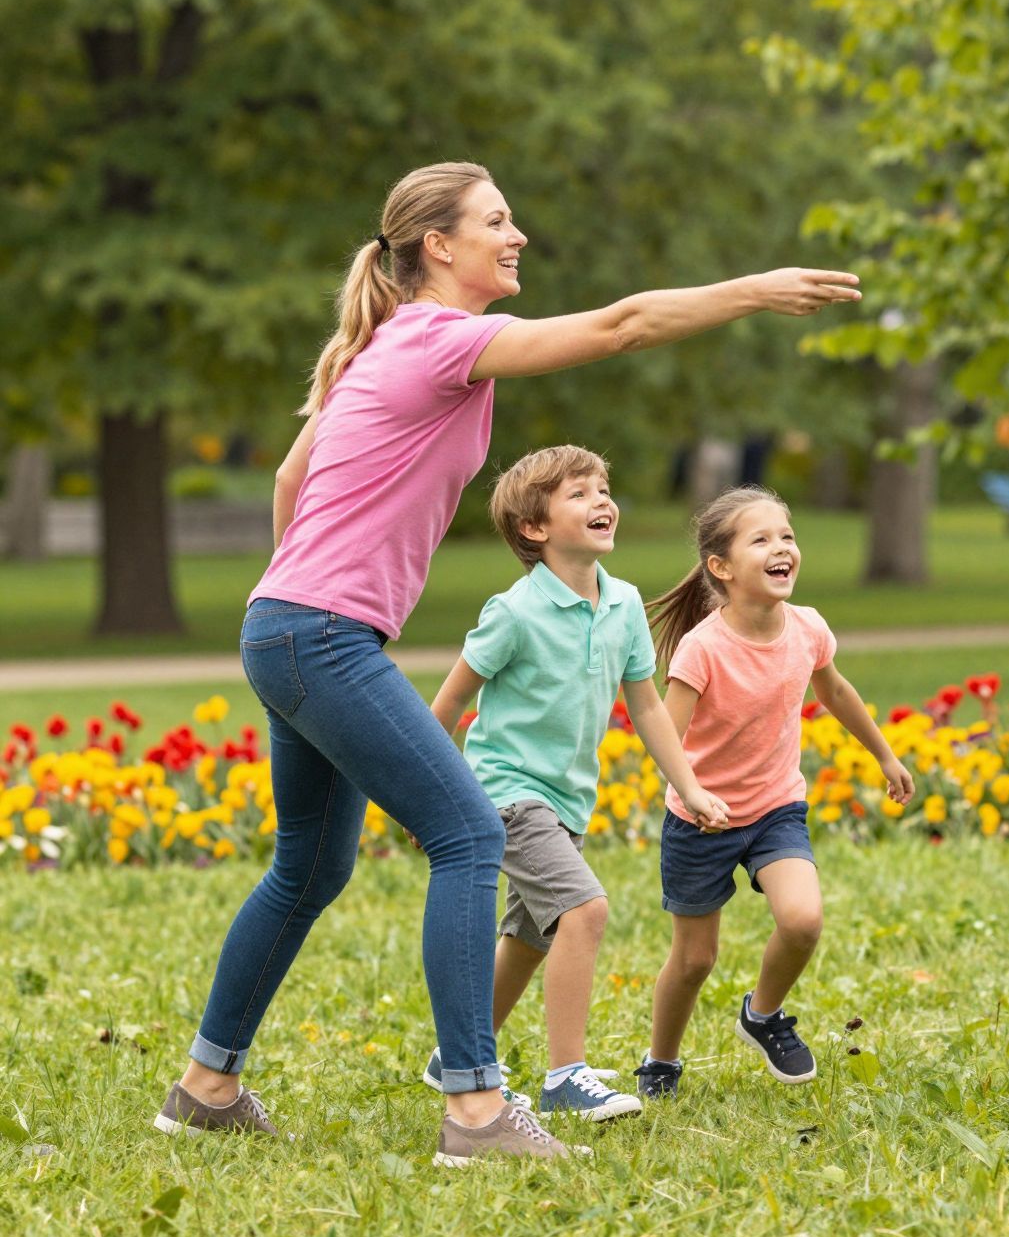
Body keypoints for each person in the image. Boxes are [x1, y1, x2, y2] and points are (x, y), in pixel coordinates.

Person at [156, 160, 859, 1165]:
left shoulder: (380, 345)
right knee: (469, 837)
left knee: (311, 868)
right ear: (438, 246)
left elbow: (288, 475)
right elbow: (620, 328)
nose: (515, 233)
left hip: (287, 627)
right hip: (316, 633)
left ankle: (206, 1087)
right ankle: (477, 1112)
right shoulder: (439, 337)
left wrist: (293, 588)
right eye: (496, 220)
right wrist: (753, 291)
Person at [421, 445, 730, 1125]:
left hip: (567, 801)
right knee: (583, 911)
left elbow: (646, 706)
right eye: (580, 493)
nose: (602, 501)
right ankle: (566, 1076)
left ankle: (458, 1056)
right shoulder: (514, 611)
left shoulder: (621, 604)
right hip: (504, 790)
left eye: (603, 488)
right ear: (535, 527)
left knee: (530, 938)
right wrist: (422, 793)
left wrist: (691, 786)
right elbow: (445, 705)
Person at [634, 486, 914, 1095]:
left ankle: (761, 1015)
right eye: (760, 539)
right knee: (694, 960)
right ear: (722, 567)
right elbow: (664, 735)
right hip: (700, 818)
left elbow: (835, 692)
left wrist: (886, 755)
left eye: (786, 535)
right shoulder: (702, 648)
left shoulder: (807, 627)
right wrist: (693, 793)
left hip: (775, 807)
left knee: (803, 919)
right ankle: (661, 1061)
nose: (781, 547)